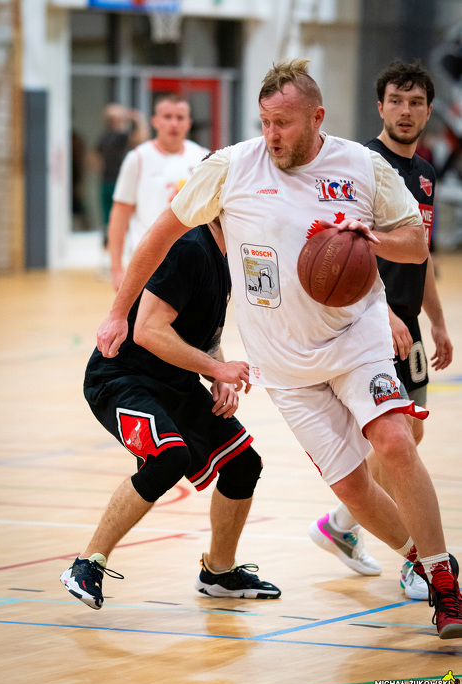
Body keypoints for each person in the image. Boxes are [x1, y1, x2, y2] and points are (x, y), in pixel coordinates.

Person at [95, 59, 462, 640]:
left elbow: (416, 245)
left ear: (317, 118)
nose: (272, 135)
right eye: (265, 122)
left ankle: (444, 582)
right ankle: (421, 559)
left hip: (356, 337)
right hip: (286, 366)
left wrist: (374, 240)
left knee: (394, 439)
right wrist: (119, 309)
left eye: (284, 123)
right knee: (351, 488)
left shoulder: (362, 166)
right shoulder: (230, 167)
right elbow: (159, 233)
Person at [60, 216, 281, 609]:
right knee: (168, 456)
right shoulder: (189, 248)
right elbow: (148, 331)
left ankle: (218, 573)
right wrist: (216, 369)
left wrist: (219, 374)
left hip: (173, 383)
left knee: (244, 463)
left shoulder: (224, 255)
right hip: (122, 378)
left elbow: (202, 333)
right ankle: (87, 563)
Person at [309, 60, 454, 601]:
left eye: (415, 102)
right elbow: (344, 249)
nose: (405, 111)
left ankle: (341, 524)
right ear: (380, 107)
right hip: (371, 323)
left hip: (408, 323)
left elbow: (421, 253)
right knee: (395, 442)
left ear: (428, 111)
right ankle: (415, 561)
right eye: (396, 100)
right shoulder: (362, 166)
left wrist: (436, 320)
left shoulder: (426, 172)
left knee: (410, 436)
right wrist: (384, 313)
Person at [108, 93, 208, 291]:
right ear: (155, 121)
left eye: (180, 117)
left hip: (192, 259)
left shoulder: (203, 157)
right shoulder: (137, 158)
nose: (174, 123)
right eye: (167, 116)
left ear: (188, 123)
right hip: (147, 261)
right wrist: (116, 269)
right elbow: (120, 214)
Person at [92, 103, 149, 248]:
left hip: (105, 181)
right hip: (119, 183)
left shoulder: (103, 136)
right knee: (123, 217)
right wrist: (140, 119)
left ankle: (109, 246)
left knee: (108, 218)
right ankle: (120, 245)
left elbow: (93, 159)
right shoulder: (119, 136)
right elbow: (142, 139)